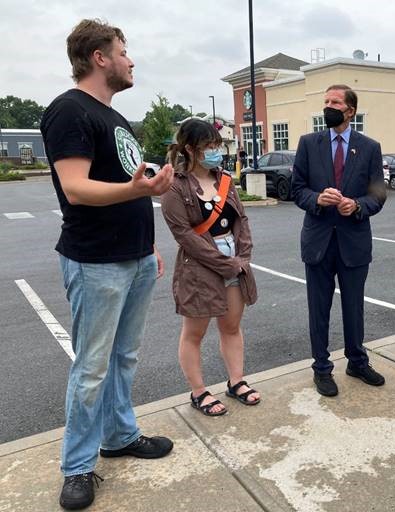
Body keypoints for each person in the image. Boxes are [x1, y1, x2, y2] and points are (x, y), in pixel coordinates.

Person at [40, 19, 174, 510]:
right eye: (124, 51)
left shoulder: (115, 118)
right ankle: (77, 466)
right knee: (92, 367)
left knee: (123, 358)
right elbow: (76, 188)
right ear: (99, 57)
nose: (131, 59)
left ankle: (119, 436)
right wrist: (139, 190)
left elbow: (127, 187)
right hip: (95, 262)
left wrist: (148, 243)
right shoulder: (68, 111)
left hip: (134, 257)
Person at [292, 84, 387, 397]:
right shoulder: (309, 143)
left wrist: (357, 205)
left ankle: (356, 361)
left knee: (353, 307)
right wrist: (318, 198)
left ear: (350, 110)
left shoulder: (370, 147)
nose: (328, 106)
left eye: (334, 102)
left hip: (353, 241)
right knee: (318, 309)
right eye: (326, 101)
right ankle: (321, 368)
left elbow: (377, 194)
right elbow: (297, 189)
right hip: (318, 241)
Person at [161, 119, 259, 417]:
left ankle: (236, 381)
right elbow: (185, 235)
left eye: (218, 145)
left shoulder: (225, 180)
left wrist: (242, 258)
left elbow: (241, 220)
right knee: (195, 332)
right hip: (200, 265)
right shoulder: (174, 187)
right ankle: (199, 391)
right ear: (190, 149)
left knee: (231, 326)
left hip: (233, 261)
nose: (216, 151)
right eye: (209, 147)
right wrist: (225, 263)